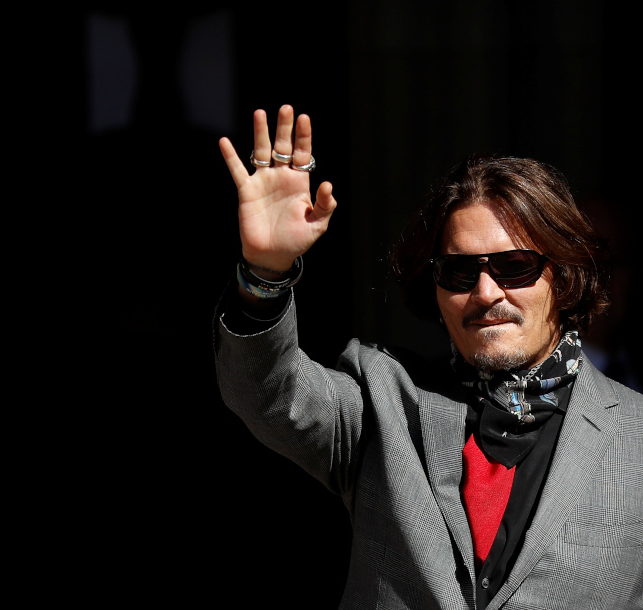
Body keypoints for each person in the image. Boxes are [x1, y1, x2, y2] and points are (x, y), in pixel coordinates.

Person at [213, 105, 643, 610]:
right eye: (459, 273)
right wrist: (265, 272)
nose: (486, 292)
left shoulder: (634, 435)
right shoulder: (383, 401)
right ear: (435, 293)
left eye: (515, 266)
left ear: (565, 278)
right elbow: (264, 392)